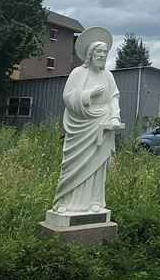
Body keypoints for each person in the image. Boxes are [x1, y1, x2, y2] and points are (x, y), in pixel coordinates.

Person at [52, 27, 121, 213]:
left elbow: (114, 97)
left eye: (105, 52)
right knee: (72, 164)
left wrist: (115, 116)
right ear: (90, 54)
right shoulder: (78, 73)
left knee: (98, 165)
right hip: (80, 127)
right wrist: (90, 94)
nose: (102, 55)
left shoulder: (108, 76)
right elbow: (68, 97)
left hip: (102, 123)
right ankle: (64, 200)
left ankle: (95, 201)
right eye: (99, 51)